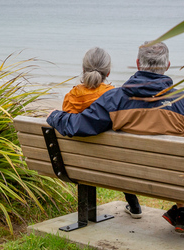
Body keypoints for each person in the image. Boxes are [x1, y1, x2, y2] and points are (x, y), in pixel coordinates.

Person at [47, 41, 184, 237]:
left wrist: (54, 116)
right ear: (168, 65)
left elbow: (79, 125)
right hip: (173, 179)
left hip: (128, 175)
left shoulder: (114, 99)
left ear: (138, 64)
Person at [61, 47, 143, 219]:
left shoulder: (71, 97)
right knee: (118, 156)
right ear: (109, 71)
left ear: (83, 70)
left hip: (78, 163)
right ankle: (133, 204)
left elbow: (68, 124)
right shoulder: (115, 97)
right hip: (112, 164)